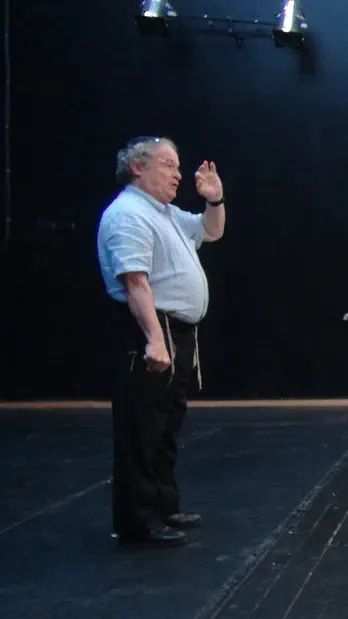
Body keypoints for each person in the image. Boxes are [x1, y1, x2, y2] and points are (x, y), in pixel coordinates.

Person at [97, 136, 225, 547]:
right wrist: (155, 340)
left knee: (166, 426)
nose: (178, 174)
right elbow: (134, 280)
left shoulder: (165, 213)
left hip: (177, 332)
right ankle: (139, 522)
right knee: (142, 429)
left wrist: (215, 200)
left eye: (178, 165)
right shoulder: (128, 214)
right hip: (149, 330)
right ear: (138, 168)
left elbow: (211, 231)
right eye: (168, 165)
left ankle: (164, 505)